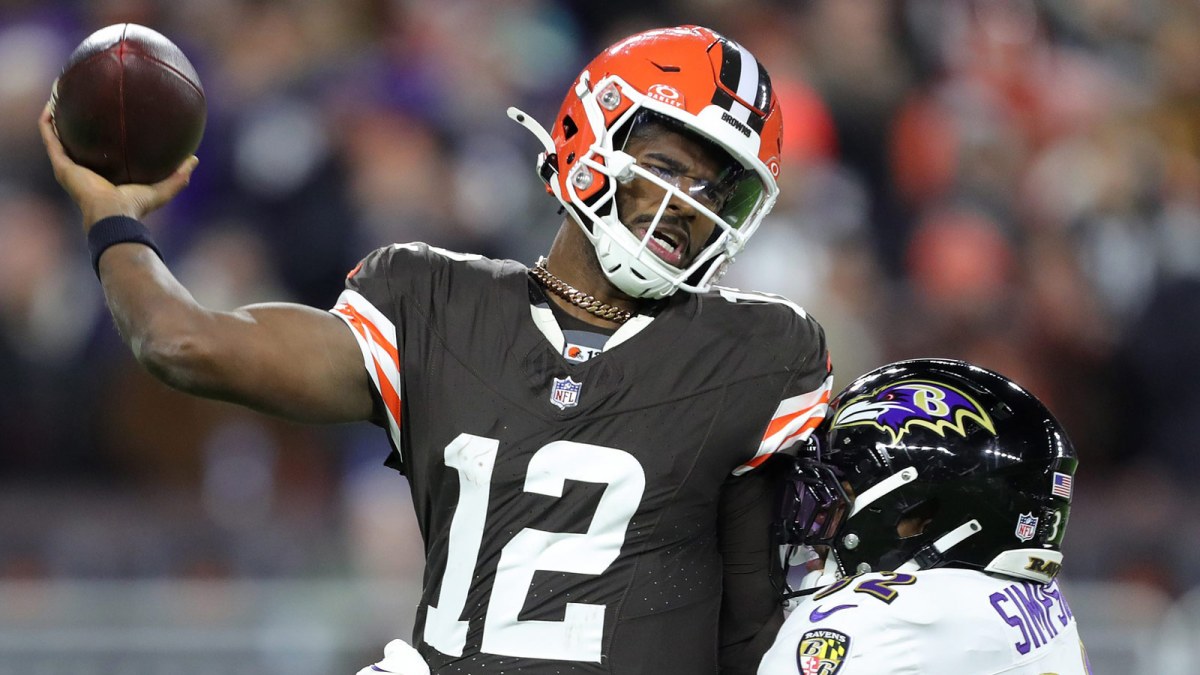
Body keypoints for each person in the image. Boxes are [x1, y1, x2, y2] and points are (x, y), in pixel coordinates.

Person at [40, 25, 833, 674]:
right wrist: (114, 219)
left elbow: (759, 631)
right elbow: (179, 341)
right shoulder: (433, 302)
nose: (685, 208)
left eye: (711, 191)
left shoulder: (759, 353)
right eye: (665, 167)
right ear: (588, 136)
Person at [758, 358, 1090, 675]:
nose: (815, 528)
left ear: (920, 514)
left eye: (838, 499)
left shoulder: (861, 622)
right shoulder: (1041, 597)